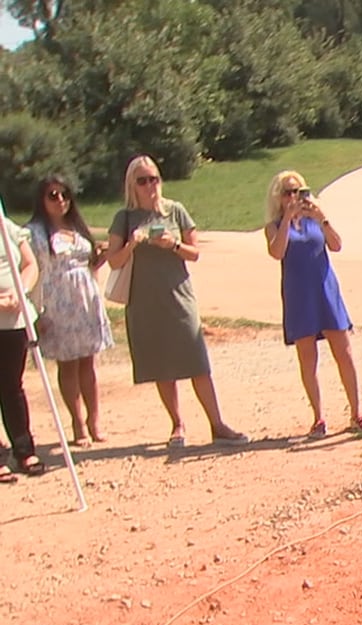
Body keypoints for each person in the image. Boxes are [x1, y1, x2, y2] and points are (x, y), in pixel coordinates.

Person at [107, 155, 248, 448]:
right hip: (144, 301)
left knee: (197, 360)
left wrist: (172, 244)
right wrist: (133, 242)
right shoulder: (124, 217)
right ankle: (177, 424)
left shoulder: (176, 210)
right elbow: (113, 260)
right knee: (161, 365)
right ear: (132, 185)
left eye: (154, 178)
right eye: (142, 180)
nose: (150, 186)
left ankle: (217, 424)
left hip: (178, 295)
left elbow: (194, 253)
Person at [264, 170, 362, 439]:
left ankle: (357, 413)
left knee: (343, 351)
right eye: (288, 192)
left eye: (299, 191)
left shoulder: (316, 221)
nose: (293, 197)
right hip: (299, 294)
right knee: (308, 358)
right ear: (278, 197)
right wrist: (288, 218)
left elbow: (336, 245)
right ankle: (319, 417)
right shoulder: (275, 226)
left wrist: (321, 218)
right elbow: (277, 253)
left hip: (325, 289)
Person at [26, 175, 115, 447]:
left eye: (64, 194)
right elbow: (29, 271)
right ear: (42, 200)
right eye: (53, 195)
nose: (60, 200)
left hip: (86, 299)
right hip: (57, 302)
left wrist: (100, 256)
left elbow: (88, 264)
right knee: (67, 364)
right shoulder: (34, 233)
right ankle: (77, 422)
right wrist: (35, 312)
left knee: (89, 362)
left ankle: (94, 419)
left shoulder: (77, 226)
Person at [0, 214, 42, 480]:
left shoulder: (7, 226)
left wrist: (20, 290)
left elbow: (30, 265)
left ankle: (24, 449)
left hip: (14, 320)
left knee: (12, 386)